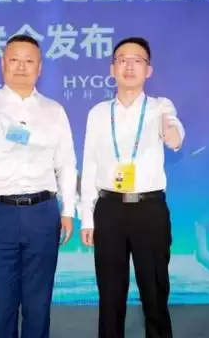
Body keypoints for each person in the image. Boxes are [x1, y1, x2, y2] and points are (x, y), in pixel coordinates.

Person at [0, 34, 78, 338]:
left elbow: (66, 163)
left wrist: (68, 211)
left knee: (39, 303)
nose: (21, 67)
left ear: (39, 68)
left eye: (28, 61)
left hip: (43, 212)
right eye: (14, 60)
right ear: (2, 64)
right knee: (2, 303)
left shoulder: (54, 111)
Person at [79, 37, 185, 338]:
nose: (129, 66)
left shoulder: (160, 106)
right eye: (122, 60)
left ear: (148, 70)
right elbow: (89, 165)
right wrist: (86, 217)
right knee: (110, 295)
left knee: (155, 292)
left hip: (149, 209)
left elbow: (175, 131)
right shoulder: (98, 113)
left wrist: (171, 133)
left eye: (137, 60)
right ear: (112, 68)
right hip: (109, 209)